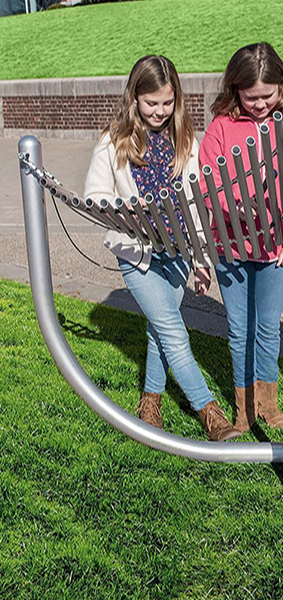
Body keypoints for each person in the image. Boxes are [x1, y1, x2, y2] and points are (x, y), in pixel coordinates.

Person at [84, 55, 240, 441]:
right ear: (134, 98)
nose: (160, 111)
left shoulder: (185, 140)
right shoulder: (113, 140)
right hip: (136, 254)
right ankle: (210, 412)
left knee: (160, 326)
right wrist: (127, 207)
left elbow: (197, 205)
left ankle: (150, 401)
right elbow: (94, 196)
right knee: (173, 329)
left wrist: (201, 260)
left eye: (168, 102)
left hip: (179, 251)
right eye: (151, 103)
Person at [199, 42, 283, 433]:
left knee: (267, 327)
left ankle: (267, 402)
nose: (261, 104)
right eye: (251, 97)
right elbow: (209, 182)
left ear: (282, 87)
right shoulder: (221, 127)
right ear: (235, 90)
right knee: (239, 330)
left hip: (276, 250)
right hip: (230, 246)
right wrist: (240, 208)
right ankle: (244, 407)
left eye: (268, 95)